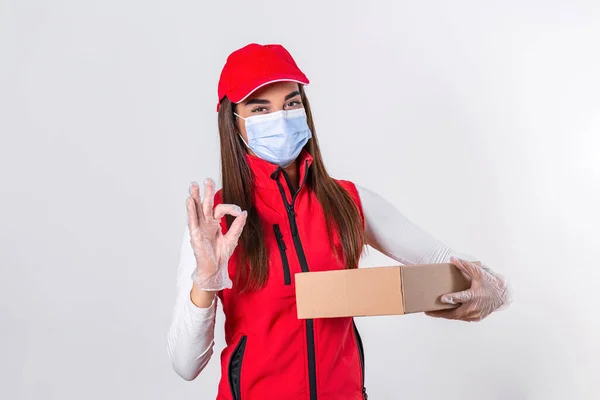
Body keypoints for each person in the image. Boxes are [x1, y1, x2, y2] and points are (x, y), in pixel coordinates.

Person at [167, 43, 511, 400]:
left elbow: (441, 258)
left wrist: (495, 289)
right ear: (231, 120)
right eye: (259, 108)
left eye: (291, 103)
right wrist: (205, 279)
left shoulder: (347, 202)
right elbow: (185, 365)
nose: (280, 118)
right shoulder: (216, 221)